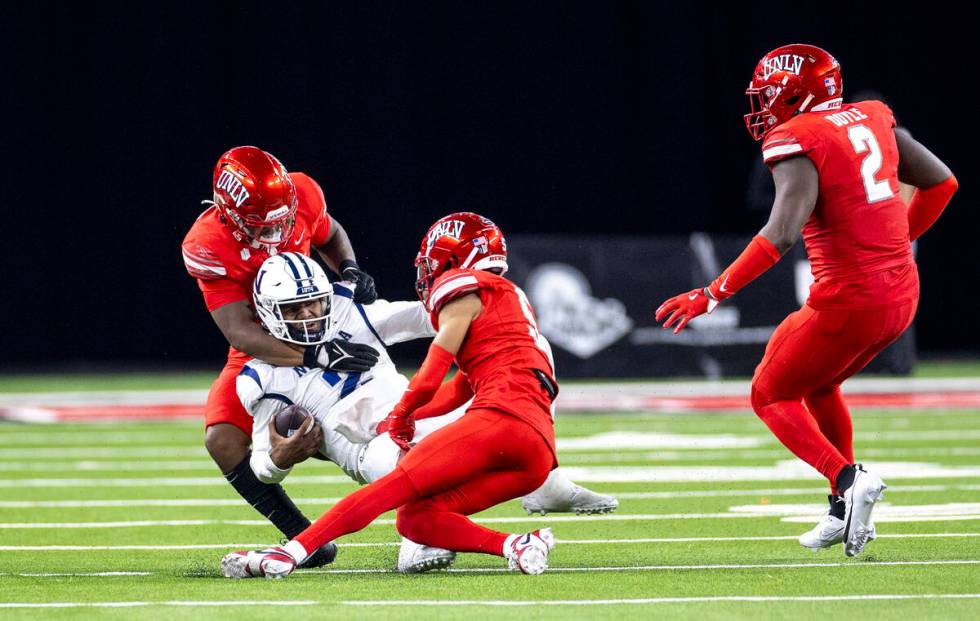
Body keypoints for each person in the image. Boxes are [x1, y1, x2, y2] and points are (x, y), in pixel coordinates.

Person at [655, 44, 957, 557]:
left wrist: (711, 293)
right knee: (820, 384)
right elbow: (943, 182)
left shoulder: (798, 136)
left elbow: (781, 233)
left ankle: (847, 480)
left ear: (797, 93)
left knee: (768, 392)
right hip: (901, 294)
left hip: (850, 298)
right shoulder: (875, 118)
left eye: (768, 95)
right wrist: (897, 244)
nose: (762, 106)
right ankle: (841, 508)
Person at [222, 212, 573, 578]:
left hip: (415, 418)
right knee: (395, 470)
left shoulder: (348, 309)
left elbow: (425, 317)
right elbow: (262, 465)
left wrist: (477, 310)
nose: (309, 314)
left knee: (486, 402)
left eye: (314, 302)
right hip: (371, 444)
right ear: (269, 313)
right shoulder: (260, 376)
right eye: (295, 309)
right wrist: (279, 460)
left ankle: (294, 552)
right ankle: (501, 535)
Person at [181, 146, 382, 567]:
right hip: (266, 341)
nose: (274, 234)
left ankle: (430, 508)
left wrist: (347, 268)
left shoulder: (303, 192)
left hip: (323, 321)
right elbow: (240, 330)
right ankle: (304, 539)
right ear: (226, 211)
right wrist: (317, 356)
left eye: (281, 221)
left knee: (383, 417)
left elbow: (331, 233)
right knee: (222, 438)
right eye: (259, 226)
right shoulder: (206, 243)